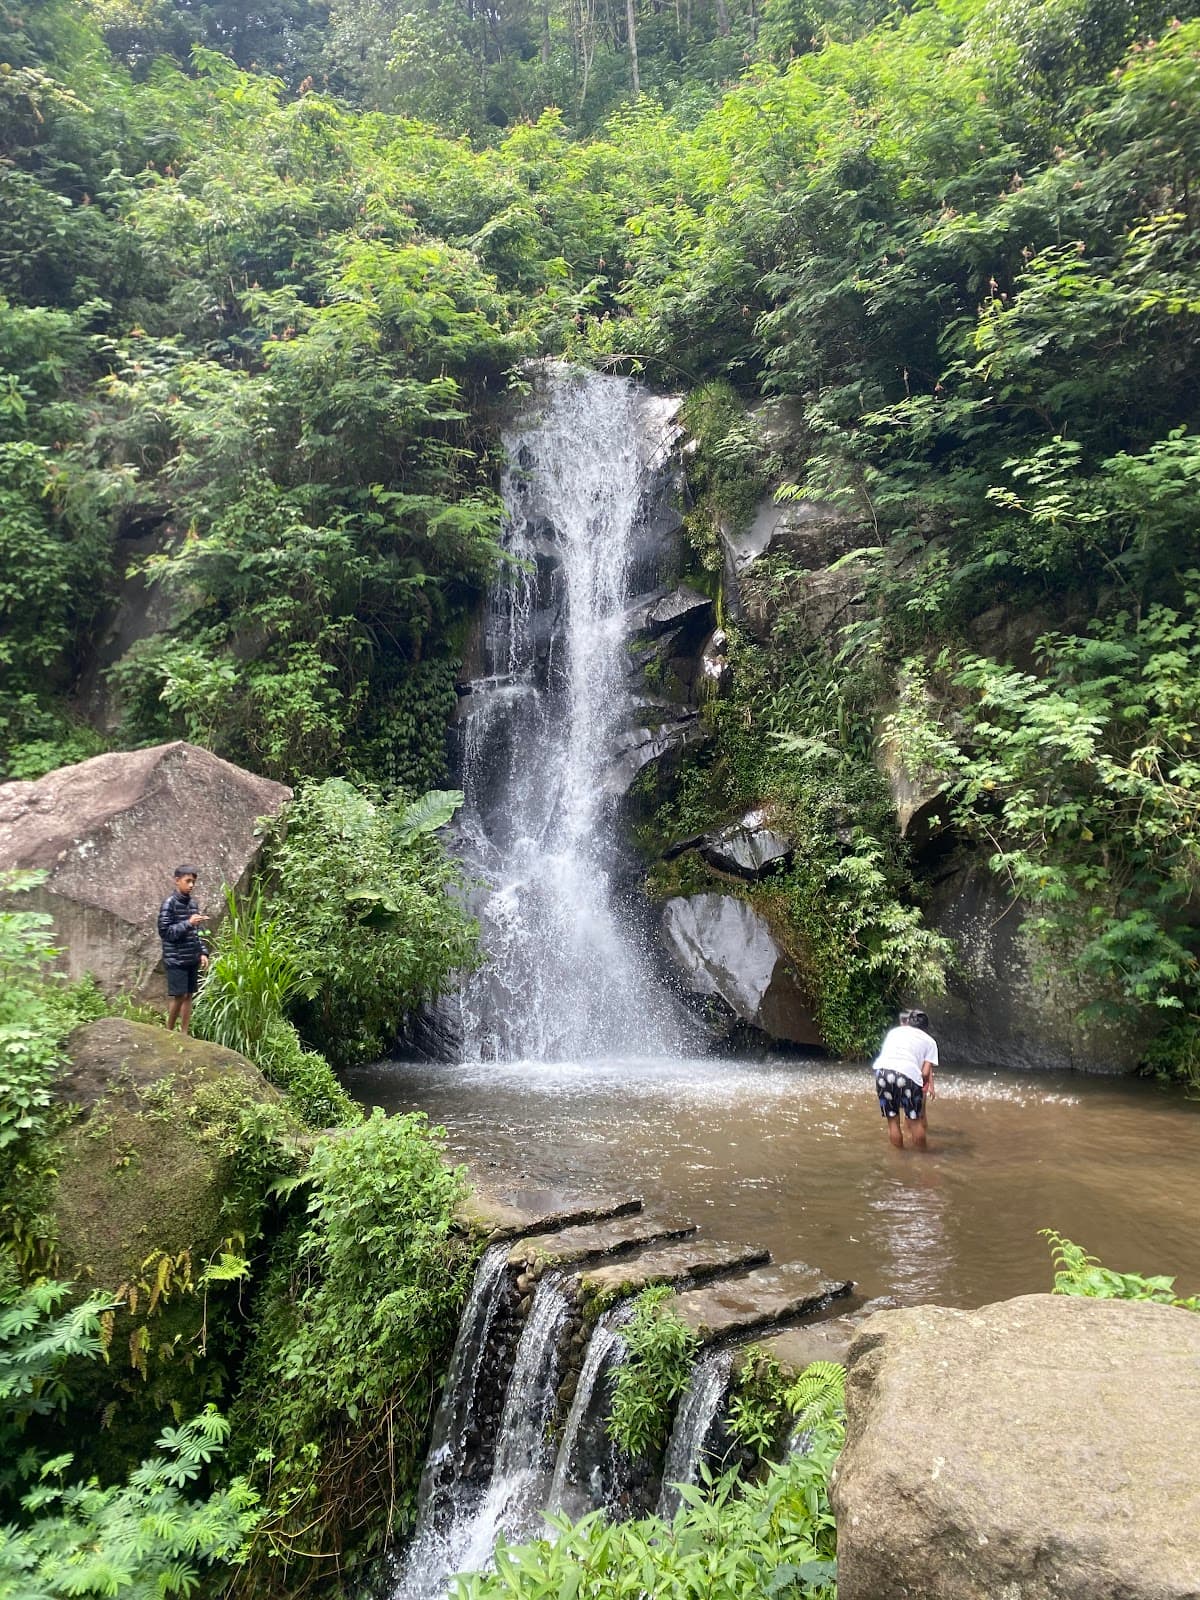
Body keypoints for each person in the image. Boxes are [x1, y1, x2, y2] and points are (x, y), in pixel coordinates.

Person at [872, 1007, 938, 1151]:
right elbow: (926, 1072)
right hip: (907, 1075)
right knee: (915, 1121)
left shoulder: (894, 1032)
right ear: (925, 1027)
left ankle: (899, 1156)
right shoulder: (930, 1041)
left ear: (909, 1022)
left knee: (892, 1121)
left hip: (882, 1072)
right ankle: (923, 1156)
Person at [158, 864, 210, 1035]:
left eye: (193, 882)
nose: (191, 885)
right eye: (188, 881)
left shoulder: (193, 904)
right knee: (179, 996)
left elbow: (197, 933)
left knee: (189, 995)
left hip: (191, 957)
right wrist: (188, 923)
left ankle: (184, 1033)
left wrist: (202, 952)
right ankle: (169, 1032)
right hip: (176, 958)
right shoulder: (169, 904)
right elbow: (165, 932)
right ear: (177, 881)